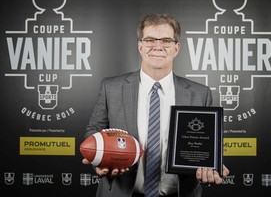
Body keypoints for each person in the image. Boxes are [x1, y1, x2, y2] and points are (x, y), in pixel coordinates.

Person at [82, 13, 229, 197]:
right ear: (140, 46)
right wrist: (100, 159)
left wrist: (210, 164)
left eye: (166, 40)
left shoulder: (200, 94)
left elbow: (207, 146)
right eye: (150, 39)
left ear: (176, 48)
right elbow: (94, 130)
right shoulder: (111, 87)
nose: (158, 46)